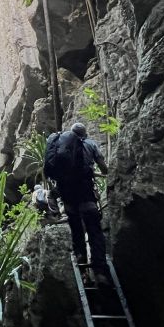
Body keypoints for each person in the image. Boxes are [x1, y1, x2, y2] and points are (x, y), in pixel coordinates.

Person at [46, 122, 111, 286]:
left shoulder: (62, 145)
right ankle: (100, 272)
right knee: (95, 232)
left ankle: (81, 262)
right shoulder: (90, 144)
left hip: (68, 199)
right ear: (85, 134)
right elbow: (104, 169)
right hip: (86, 196)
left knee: (76, 231)